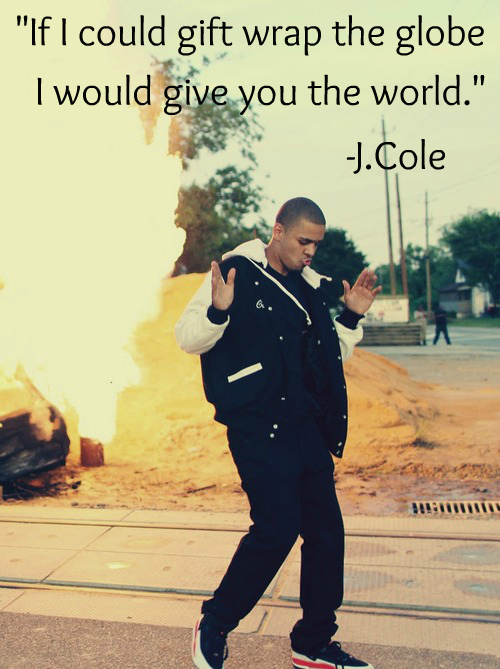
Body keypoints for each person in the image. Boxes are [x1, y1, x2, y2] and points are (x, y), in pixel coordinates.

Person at [175, 197, 381, 669]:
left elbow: (325, 361)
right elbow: (187, 337)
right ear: (279, 231)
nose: (311, 251)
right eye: (304, 241)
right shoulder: (234, 272)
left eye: (317, 244)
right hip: (257, 429)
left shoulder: (310, 288)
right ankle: (215, 622)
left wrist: (350, 316)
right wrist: (218, 312)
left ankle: (313, 643)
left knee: (326, 534)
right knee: (276, 530)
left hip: (306, 430)